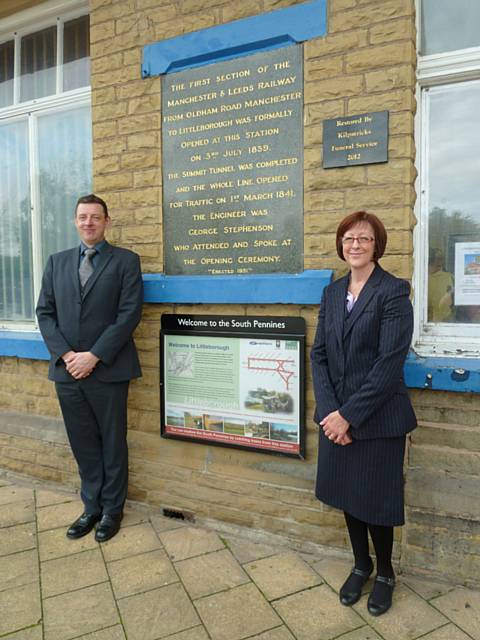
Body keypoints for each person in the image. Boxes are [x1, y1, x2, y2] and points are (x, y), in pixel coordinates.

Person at [311, 211, 416, 616]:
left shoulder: (392, 292)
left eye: (365, 239)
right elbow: (319, 354)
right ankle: (361, 564)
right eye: (348, 238)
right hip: (336, 416)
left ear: (377, 245)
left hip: (377, 418)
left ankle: (386, 573)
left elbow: (389, 363)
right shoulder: (332, 293)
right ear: (340, 244)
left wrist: (348, 416)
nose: (355, 245)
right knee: (347, 497)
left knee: (375, 499)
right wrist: (331, 412)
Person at [36, 194, 143, 542]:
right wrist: (68, 355)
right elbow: (45, 314)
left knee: (112, 442)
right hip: (67, 372)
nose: (89, 223)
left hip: (108, 370)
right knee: (83, 442)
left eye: (95, 217)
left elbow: (129, 315)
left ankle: (112, 510)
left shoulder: (126, 261)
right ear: (75, 221)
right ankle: (91, 507)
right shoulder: (57, 262)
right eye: (83, 217)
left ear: (106, 221)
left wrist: (93, 355)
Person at [427, 248, 454, 322]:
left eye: (441, 259)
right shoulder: (423, 278)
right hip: (429, 321)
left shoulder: (449, 277)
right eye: (438, 258)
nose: (440, 261)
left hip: (447, 320)